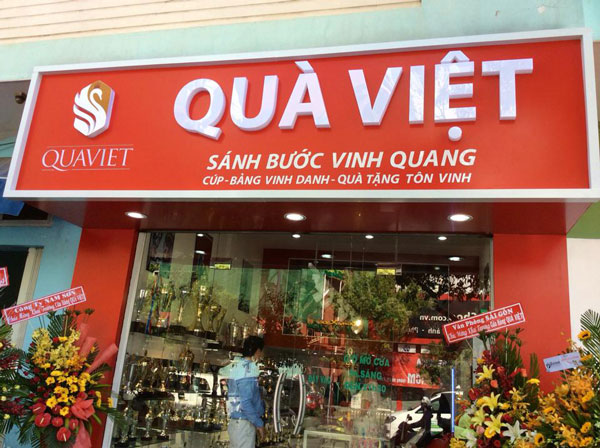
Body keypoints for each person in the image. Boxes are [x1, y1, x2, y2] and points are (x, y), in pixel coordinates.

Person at [223, 336, 265, 448]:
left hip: (236, 423)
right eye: (260, 352)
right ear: (257, 351)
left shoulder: (237, 366)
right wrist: (259, 424)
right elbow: (245, 403)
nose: (260, 355)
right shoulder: (247, 371)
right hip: (243, 424)